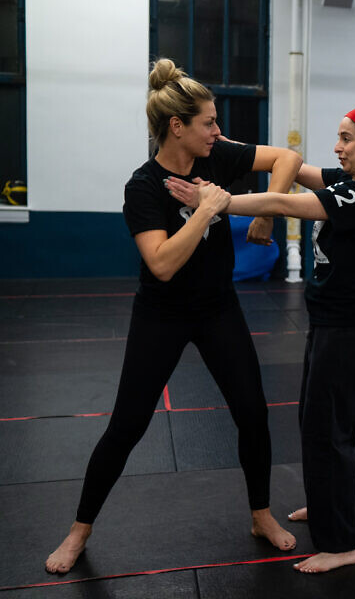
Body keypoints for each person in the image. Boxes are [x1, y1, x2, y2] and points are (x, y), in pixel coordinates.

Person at [45, 59, 300, 574]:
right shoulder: (142, 187)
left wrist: (267, 216)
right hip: (162, 314)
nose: (218, 131)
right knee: (127, 426)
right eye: (209, 122)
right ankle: (79, 531)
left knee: (253, 412)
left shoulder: (219, 155)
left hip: (217, 309)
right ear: (177, 127)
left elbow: (287, 158)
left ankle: (261, 514)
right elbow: (160, 263)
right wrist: (209, 209)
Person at [167, 105, 355, 574]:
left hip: (352, 332)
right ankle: (326, 507)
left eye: (347, 139)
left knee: (333, 435)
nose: (337, 147)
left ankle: (343, 542)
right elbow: (290, 164)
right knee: (314, 423)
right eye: (338, 137)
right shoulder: (352, 181)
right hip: (331, 325)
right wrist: (218, 141)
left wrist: (218, 202)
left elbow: (286, 204)